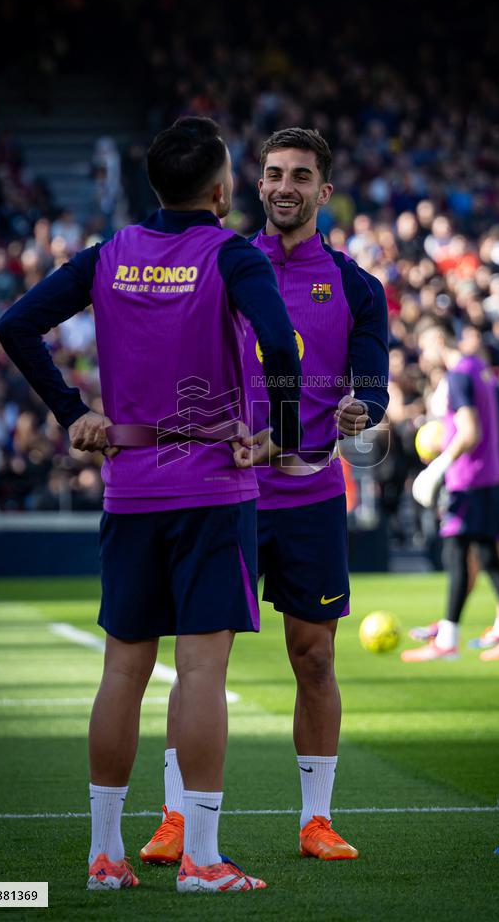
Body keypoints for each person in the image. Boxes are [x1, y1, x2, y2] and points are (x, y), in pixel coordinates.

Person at [0, 117, 303, 894]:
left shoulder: (110, 256)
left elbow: (16, 324)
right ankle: (201, 859)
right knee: (199, 671)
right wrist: (279, 436)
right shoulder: (232, 253)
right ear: (223, 188)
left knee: (122, 671)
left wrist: (72, 414)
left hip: (131, 487)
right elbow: (279, 342)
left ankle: (106, 857)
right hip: (209, 488)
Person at [141, 128, 389, 865]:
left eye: (301, 176)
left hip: (311, 493)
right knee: (198, 661)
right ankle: (176, 819)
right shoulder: (223, 263)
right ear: (256, 184)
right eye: (274, 173)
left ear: (324, 191)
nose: (285, 187)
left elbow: (371, 375)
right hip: (225, 491)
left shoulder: (355, 285)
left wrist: (361, 409)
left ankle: (316, 822)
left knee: (314, 659)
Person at [401, 320, 499, 663]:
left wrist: (436, 469)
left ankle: (453, 640)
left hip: (468, 479)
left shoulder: (458, 375)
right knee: (481, 555)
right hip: (487, 476)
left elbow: (469, 431)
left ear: (437, 340)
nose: (423, 354)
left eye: (425, 346)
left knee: (464, 555)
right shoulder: (480, 370)